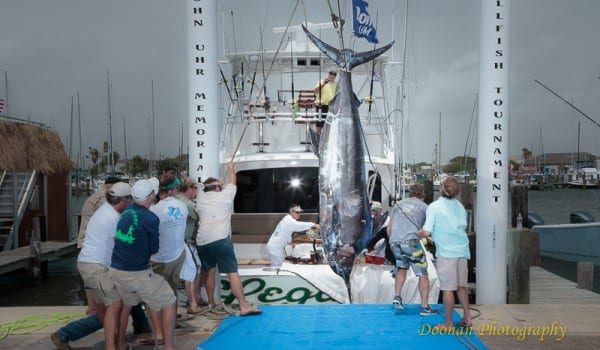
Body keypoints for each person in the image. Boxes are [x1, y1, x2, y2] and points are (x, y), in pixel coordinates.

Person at [52, 182, 132, 350]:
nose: (131, 202)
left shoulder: (104, 211)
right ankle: (112, 346)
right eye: (130, 199)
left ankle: (113, 341)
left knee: (103, 307)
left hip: (87, 263)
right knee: (116, 304)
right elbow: (122, 246)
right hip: (96, 267)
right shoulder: (114, 219)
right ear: (123, 200)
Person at [107, 179, 178, 350]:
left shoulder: (125, 212)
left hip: (116, 269)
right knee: (170, 300)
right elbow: (154, 248)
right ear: (150, 196)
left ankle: (120, 344)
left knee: (126, 304)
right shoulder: (150, 218)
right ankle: (169, 347)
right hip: (136, 273)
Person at [195, 160, 262, 317]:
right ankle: (243, 305)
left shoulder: (200, 199)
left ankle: (211, 303)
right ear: (218, 187)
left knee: (209, 271)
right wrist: (232, 169)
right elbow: (233, 182)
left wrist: (219, 183)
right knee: (232, 273)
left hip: (202, 241)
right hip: (221, 240)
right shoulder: (225, 197)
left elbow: (214, 187)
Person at [418, 176, 472, 330]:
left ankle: (448, 323)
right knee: (461, 287)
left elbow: (426, 231)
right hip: (462, 250)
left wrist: (416, 233)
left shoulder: (434, 207)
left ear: (441, 189)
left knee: (447, 289)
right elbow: (462, 226)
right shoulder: (460, 206)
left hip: (447, 253)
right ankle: (467, 317)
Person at [387, 183, 436, 316]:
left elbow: (389, 228)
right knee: (422, 273)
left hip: (394, 242)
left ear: (410, 193)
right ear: (423, 194)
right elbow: (426, 230)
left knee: (401, 268)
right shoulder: (425, 207)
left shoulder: (397, 205)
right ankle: (425, 307)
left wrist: (392, 243)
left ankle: (397, 297)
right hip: (411, 242)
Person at [76, 175, 120, 315]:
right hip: (93, 241)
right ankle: (93, 307)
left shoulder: (96, 195)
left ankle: (92, 307)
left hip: (87, 239)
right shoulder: (103, 198)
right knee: (96, 278)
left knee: (90, 280)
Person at [176, 178, 205, 314]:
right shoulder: (188, 205)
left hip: (178, 242)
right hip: (186, 242)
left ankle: (195, 299)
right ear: (189, 189)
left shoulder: (176, 200)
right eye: (195, 189)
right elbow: (202, 216)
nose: (196, 192)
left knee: (194, 269)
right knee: (193, 270)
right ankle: (192, 303)